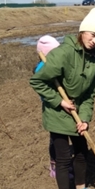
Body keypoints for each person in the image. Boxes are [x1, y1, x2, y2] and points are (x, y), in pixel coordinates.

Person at [30, 8, 95, 189]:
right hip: (58, 114)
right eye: (93, 35)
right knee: (64, 158)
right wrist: (59, 101)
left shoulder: (93, 58)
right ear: (83, 31)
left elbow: (91, 92)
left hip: (78, 113)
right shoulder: (63, 53)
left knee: (82, 152)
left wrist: (85, 119)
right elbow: (37, 81)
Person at [34, 35, 61, 178]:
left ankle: (63, 164)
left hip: (63, 105)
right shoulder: (40, 69)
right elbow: (43, 91)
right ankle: (54, 165)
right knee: (55, 139)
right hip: (51, 107)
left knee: (65, 138)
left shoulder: (55, 64)